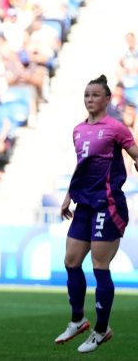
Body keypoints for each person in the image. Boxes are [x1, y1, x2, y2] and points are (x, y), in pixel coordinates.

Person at [54, 75, 138, 353]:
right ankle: (78, 320)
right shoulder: (78, 130)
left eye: (95, 95)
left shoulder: (116, 128)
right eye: (87, 95)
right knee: (71, 261)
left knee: (100, 266)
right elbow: (82, 167)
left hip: (108, 204)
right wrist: (68, 196)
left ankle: (102, 330)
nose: (90, 99)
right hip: (83, 204)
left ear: (107, 99)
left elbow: (135, 153)